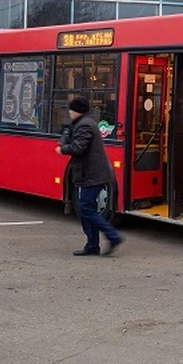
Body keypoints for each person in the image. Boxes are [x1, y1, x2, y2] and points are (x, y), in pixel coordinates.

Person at [55, 95, 123, 257]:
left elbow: (78, 148)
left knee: (85, 208)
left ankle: (112, 236)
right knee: (87, 209)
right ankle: (92, 245)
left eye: (71, 109)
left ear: (77, 111)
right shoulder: (84, 123)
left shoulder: (84, 125)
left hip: (92, 174)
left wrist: (62, 149)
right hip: (90, 174)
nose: (69, 112)